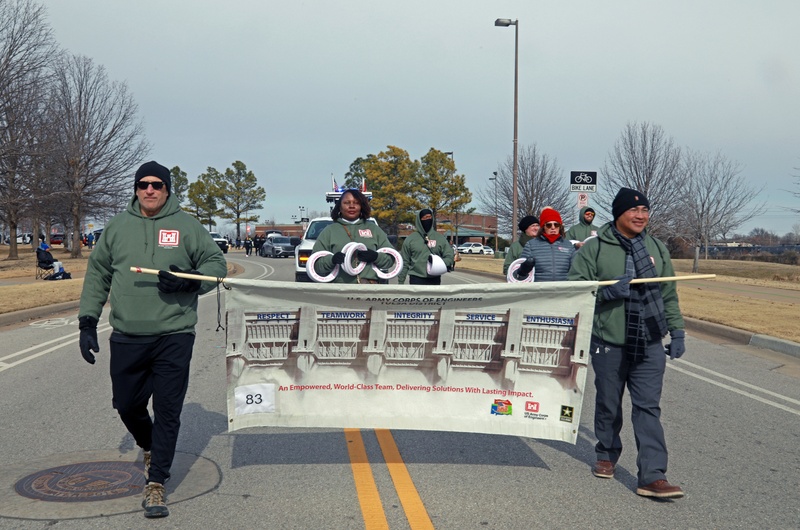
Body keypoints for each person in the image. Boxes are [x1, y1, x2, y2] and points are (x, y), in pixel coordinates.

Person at [77, 160, 227, 518]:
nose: (149, 190)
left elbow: (215, 265)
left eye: (157, 184)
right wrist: (87, 321)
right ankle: (148, 443)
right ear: (136, 187)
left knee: (168, 410)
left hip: (174, 333)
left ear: (167, 189)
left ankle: (156, 482)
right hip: (129, 334)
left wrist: (188, 280)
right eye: (143, 184)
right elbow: (97, 273)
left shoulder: (188, 225)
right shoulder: (116, 228)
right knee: (126, 404)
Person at [567, 187, 686, 499]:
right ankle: (606, 453)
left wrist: (677, 330)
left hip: (649, 341)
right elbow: (574, 291)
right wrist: (606, 293)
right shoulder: (595, 248)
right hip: (609, 341)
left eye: (645, 210)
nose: (641, 216)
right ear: (619, 213)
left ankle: (653, 475)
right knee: (608, 403)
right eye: (634, 211)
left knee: (648, 408)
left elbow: (668, 293)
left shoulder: (657, 248)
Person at [311, 188, 396, 284]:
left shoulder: (374, 230)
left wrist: (376, 257)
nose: (352, 206)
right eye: (347, 203)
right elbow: (316, 265)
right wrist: (332, 260)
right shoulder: (329, 232)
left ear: (362, 206)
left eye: (356, 203)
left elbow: (390, 260)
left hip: (368, 288)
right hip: (339, 289)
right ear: (339, 207)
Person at [514, 208, 575, 282]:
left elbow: (575, 272)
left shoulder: (568, 245)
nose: (553, 227)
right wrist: (523, 270)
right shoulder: (531, 245)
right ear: (543, 227)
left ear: (560, 226)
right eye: (549, 225)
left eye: (556, 224)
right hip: (539, 290)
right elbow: (518, 276)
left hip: (562, 290)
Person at [397, 209, 455, 285]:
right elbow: (405, 262)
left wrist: (440, 264)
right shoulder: (410, 239)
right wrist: (400, 282)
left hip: (434, 279)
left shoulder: (440, 238)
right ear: (419, 220)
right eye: (425, 218)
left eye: (430, 217)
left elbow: (449, 256)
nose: (428, 219)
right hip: (416, 279)